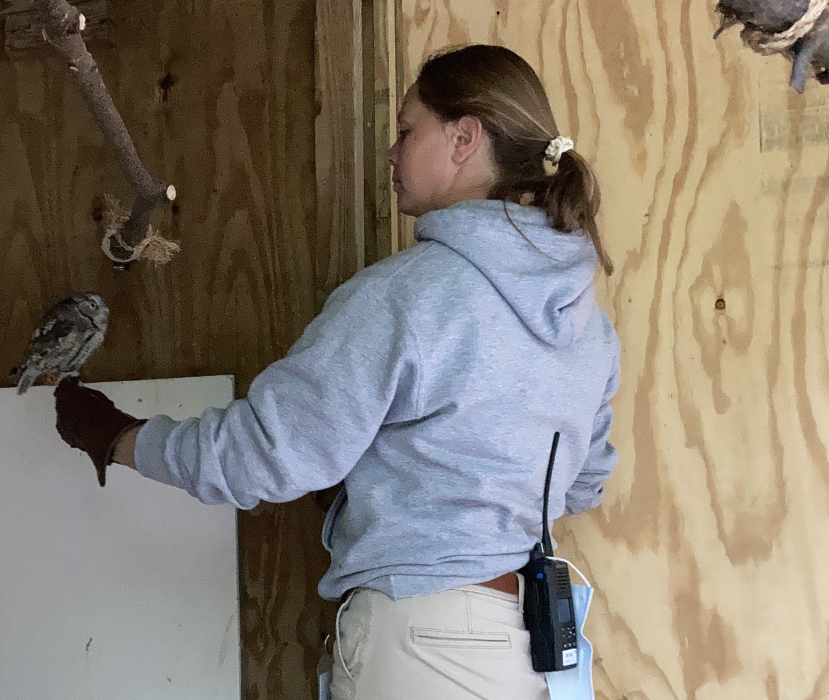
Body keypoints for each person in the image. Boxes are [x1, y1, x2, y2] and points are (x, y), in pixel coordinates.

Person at [53, 43, 621, 700]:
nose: (390, 152)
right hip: (526, 649)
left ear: (466, 138)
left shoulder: (404, 296)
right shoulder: (587, 327)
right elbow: (583, 484)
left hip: (421, 640)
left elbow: (261, 455)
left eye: (407, 131)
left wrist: (117, 436)